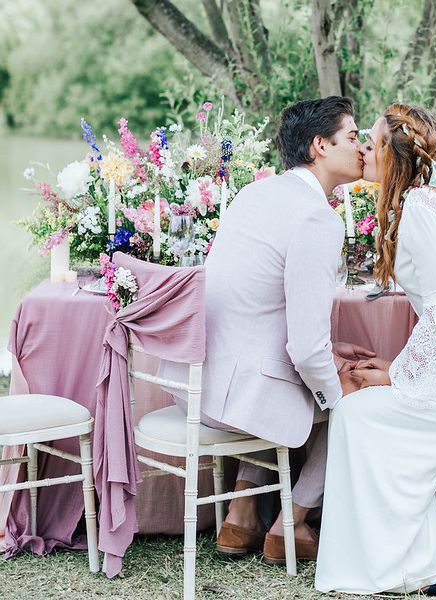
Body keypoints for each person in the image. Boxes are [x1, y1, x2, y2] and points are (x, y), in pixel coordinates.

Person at [169, 96, 374, 563]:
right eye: (353, 137)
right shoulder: (316, 217)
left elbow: (257, 308)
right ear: (320, 146)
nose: (362, 148)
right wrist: (336, 386)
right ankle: (292, 522)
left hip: (196, 380)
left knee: (312, 374)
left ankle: (240, 518)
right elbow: (304, 349)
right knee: (355, 391)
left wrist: (328, 352)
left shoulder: (255, 192)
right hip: (237, 393)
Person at [316, 103, 436, 596]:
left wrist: (396, 376)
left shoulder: (421, 208)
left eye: (371, 143)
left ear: (394, 156)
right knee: (362, 409)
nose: (361, 150)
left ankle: (428, 566)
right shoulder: (435, 202)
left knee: (357, 415)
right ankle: (435, 562)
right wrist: (398, 366)